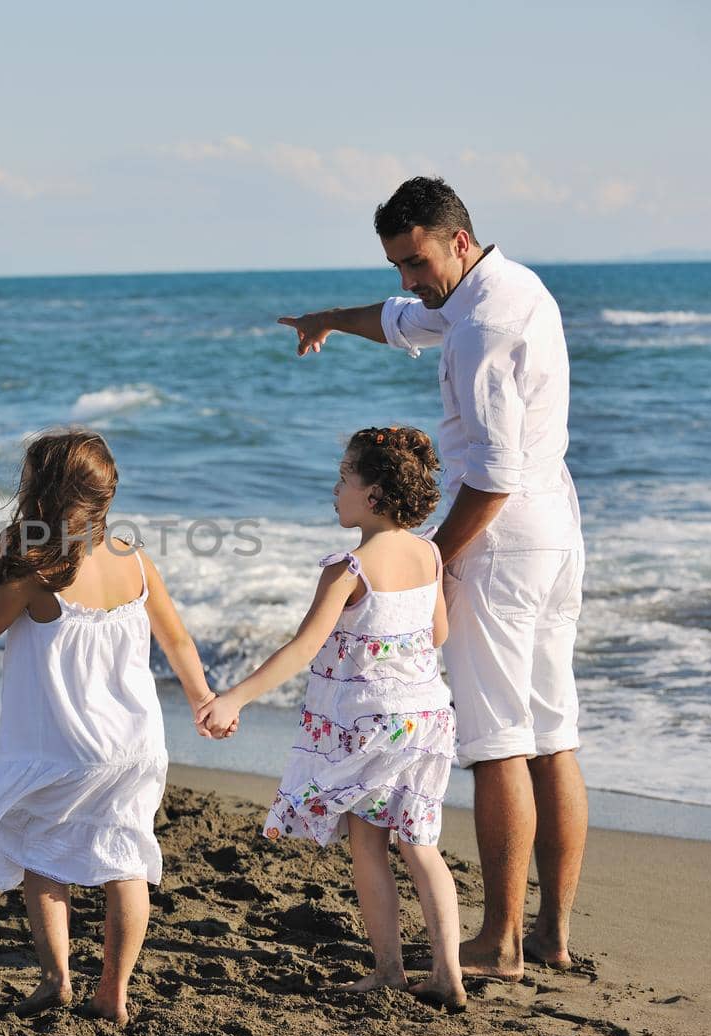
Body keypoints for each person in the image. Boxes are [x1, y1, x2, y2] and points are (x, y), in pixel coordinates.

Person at [277, 177, 587, 980]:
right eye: (396, 266)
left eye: (414, 261)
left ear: (455, 237)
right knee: (552, 734)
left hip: (501, 541)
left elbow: (490, 474)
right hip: (556, 532)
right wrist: (329, 323)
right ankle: (551, 932)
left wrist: (432, 563)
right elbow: (403, 320)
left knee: (498, 743)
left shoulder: (485, 323)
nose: (408, 280)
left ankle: (502, 941)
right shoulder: (508, 285)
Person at [0, 428, 212, 1026]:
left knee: (40, 853)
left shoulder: (36, 572)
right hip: (136, 745)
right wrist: (204, 698)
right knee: (126, 860)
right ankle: (114, 991)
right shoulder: (135, 561)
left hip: (63, 746)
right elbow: (176, 639)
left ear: (40, 495)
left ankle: (56, 979)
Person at [197, 427, 465, 1009]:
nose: (335, 487)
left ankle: (390, 969)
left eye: (345, 477)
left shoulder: (348, 569)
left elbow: (300, 649)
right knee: (422, 844)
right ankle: (449, 973)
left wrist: (234, 697)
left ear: (373, 495)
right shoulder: (428, 553)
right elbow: (438, 632)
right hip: (426, 719)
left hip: (367, 724)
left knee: (368, 845)